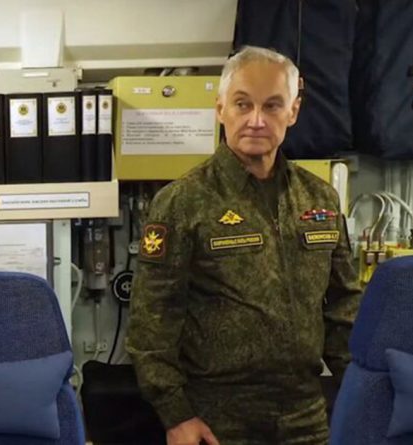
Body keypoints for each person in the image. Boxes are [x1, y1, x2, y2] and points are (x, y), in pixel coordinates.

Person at [127, 46, 362, 445]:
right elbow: (152, 322)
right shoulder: (182, 203)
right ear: (220, 109)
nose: (256, 120)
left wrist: (358, 393)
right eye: (242, 104)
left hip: (307, 415)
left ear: (293, 111)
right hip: (216, 418)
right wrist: (175, 414)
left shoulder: (319, 198)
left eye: (272, 106)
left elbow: (344, 306)